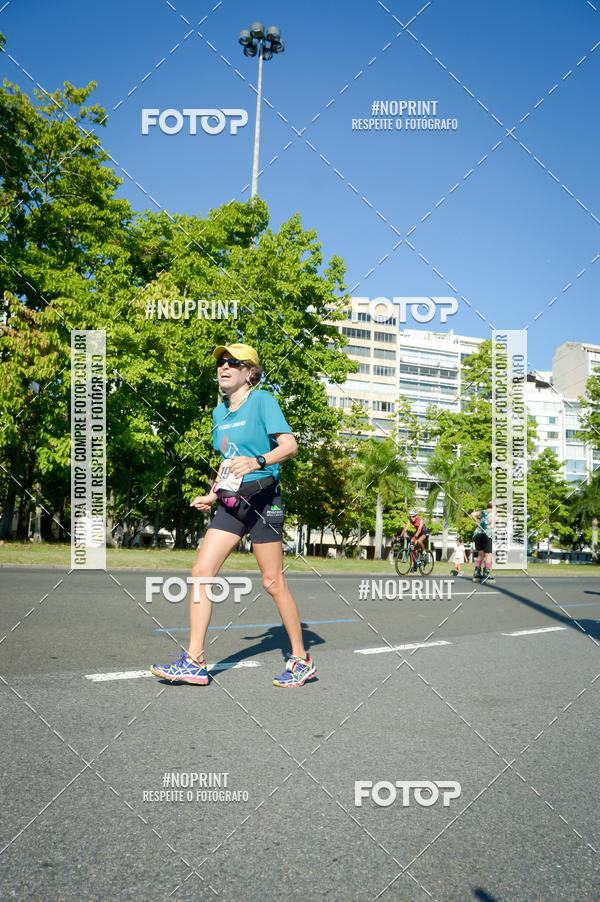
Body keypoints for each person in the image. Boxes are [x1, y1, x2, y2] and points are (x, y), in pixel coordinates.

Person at [151, 343, 316, 688]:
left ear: (249, 372)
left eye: (232, 362)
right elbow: (227, 462)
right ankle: (195, 661)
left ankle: (301, 659)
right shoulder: (218, 413)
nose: (223, 367)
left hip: (264, 499)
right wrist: (212, 495)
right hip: (231, 502)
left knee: (272, 582)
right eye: (220, 363)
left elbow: (290, 446)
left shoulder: (263, 401)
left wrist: (259, 461)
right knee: (200, 572)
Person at [471, 501, 495, 582]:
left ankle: (477, 572)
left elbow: (473, 514)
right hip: (487, 534)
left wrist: (477, 522)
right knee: (489, 554)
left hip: (478, 534)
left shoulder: (483, 511)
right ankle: (486, 573)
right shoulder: (494, 513)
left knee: (480, 554)